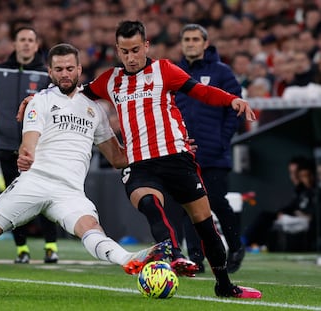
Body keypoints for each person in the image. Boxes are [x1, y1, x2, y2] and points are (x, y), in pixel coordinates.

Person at [0, 43, 171, 279]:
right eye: (59, 69)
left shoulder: (95, 109)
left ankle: (128, 259)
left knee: (91, 228)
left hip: (69, 191)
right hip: (35, 182)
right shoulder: (39, 101)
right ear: (50, 72)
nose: (65, 74)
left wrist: (163, 147)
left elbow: (118, 158)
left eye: (70, 68)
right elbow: (30, 139)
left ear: (80, 69)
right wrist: (26, 153)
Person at [80, 20, 261, 299]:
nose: (130, 57)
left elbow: (199, 91)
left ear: (146, 46)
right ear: (117, 50)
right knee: (150, 202)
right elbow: (76, 96)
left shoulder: (164, 69)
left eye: (135, 50)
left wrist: (231, 100)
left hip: (177, 158)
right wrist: (39, 99)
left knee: (204, 224)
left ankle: (224, 285)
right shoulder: (110, 80)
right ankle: (174, 253)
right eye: (124, 51)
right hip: (140, 164)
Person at [0, 25, 59, 264]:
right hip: (5, 145)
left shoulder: (46, 74)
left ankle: (50, 246)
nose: (25, 44)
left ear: (36, 45)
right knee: (12, 199)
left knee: (43, 196)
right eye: (21, 39)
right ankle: (21, 249)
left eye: (30, 40)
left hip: (37, 147)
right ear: (14, 44)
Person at [174, 24, 245, 274]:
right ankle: (196, 258)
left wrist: (222, 140)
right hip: (184, 153)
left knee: (216, 202)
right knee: (188, 205)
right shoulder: (175, 72)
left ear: (206, 43)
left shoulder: (222, 73)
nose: (190, 43)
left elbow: (236, 110)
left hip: (214, 152)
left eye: (195, 39)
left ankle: (236, 246)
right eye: (186, 39)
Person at [243, 157, 317, 251]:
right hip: (296, 219)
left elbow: (311, 213)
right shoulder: (301, 190)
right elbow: (292, 206)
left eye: (306, 175)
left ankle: (254, 244)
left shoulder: (315, 190)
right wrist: (281, 213)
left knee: (275, 221)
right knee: (267, 217)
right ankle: (248, 242)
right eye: (302, 176)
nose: (295, 177)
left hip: (307, 222)